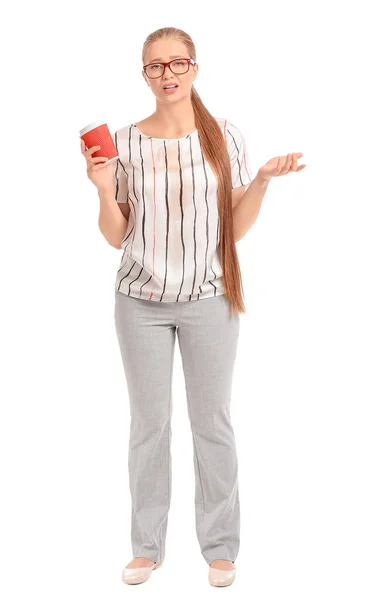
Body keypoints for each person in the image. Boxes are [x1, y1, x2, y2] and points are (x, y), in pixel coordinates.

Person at [80, 26, 305, 588]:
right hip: (140, 301)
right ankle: (146, 547)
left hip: (210, 299)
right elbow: (116, 235)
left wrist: (261, 183)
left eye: (178, 63)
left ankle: (221, 548)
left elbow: (233, 227)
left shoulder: (224, 136)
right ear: (144, 75)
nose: (168, 74)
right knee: (149, 426)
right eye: (156, 66)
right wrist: (103, 187)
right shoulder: (126, 142)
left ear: (195, 69)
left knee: (213, 424)